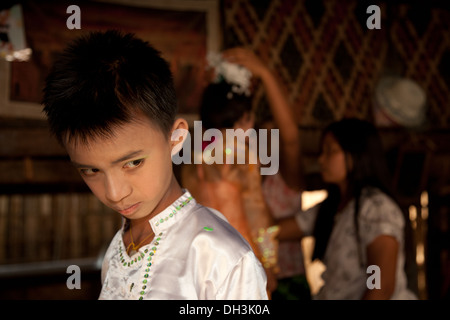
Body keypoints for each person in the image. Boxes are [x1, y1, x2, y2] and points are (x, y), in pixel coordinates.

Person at [42, 30, 268, 300]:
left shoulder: (222, 258)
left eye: (133, 162)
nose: (114, 193)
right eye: (91, 170)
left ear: (175, 138)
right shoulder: (116, 251)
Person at [182, 48, 310, 299]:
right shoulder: (243, 158)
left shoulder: (193, 162)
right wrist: (268, 265)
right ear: (245, 119)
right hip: (243, 268)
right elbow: (256, 217)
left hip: (207, 270)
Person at [277, 118, 418, 299]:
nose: (321, 159)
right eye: (322, 151)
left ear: (356, 156)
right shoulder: (334, 206)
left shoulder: (376, 208)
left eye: (331, 151)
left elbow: (379, 285)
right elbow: (273, 231)